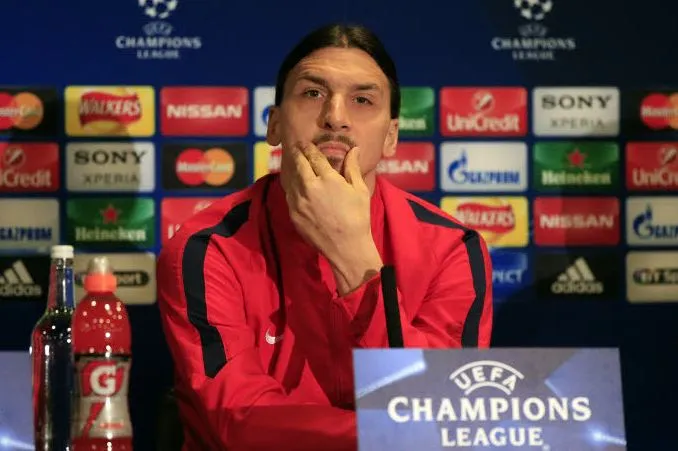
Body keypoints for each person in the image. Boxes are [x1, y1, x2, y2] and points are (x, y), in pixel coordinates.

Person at [156, 23, 493, 451]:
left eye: (362, 100)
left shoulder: (453, 248)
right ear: (275, 124)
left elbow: (438, 403)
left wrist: (354, 257)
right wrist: (394, 434)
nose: (335, 116)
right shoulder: (208, 247)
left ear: (391, 137)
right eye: (313, 93)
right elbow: (239, 422)